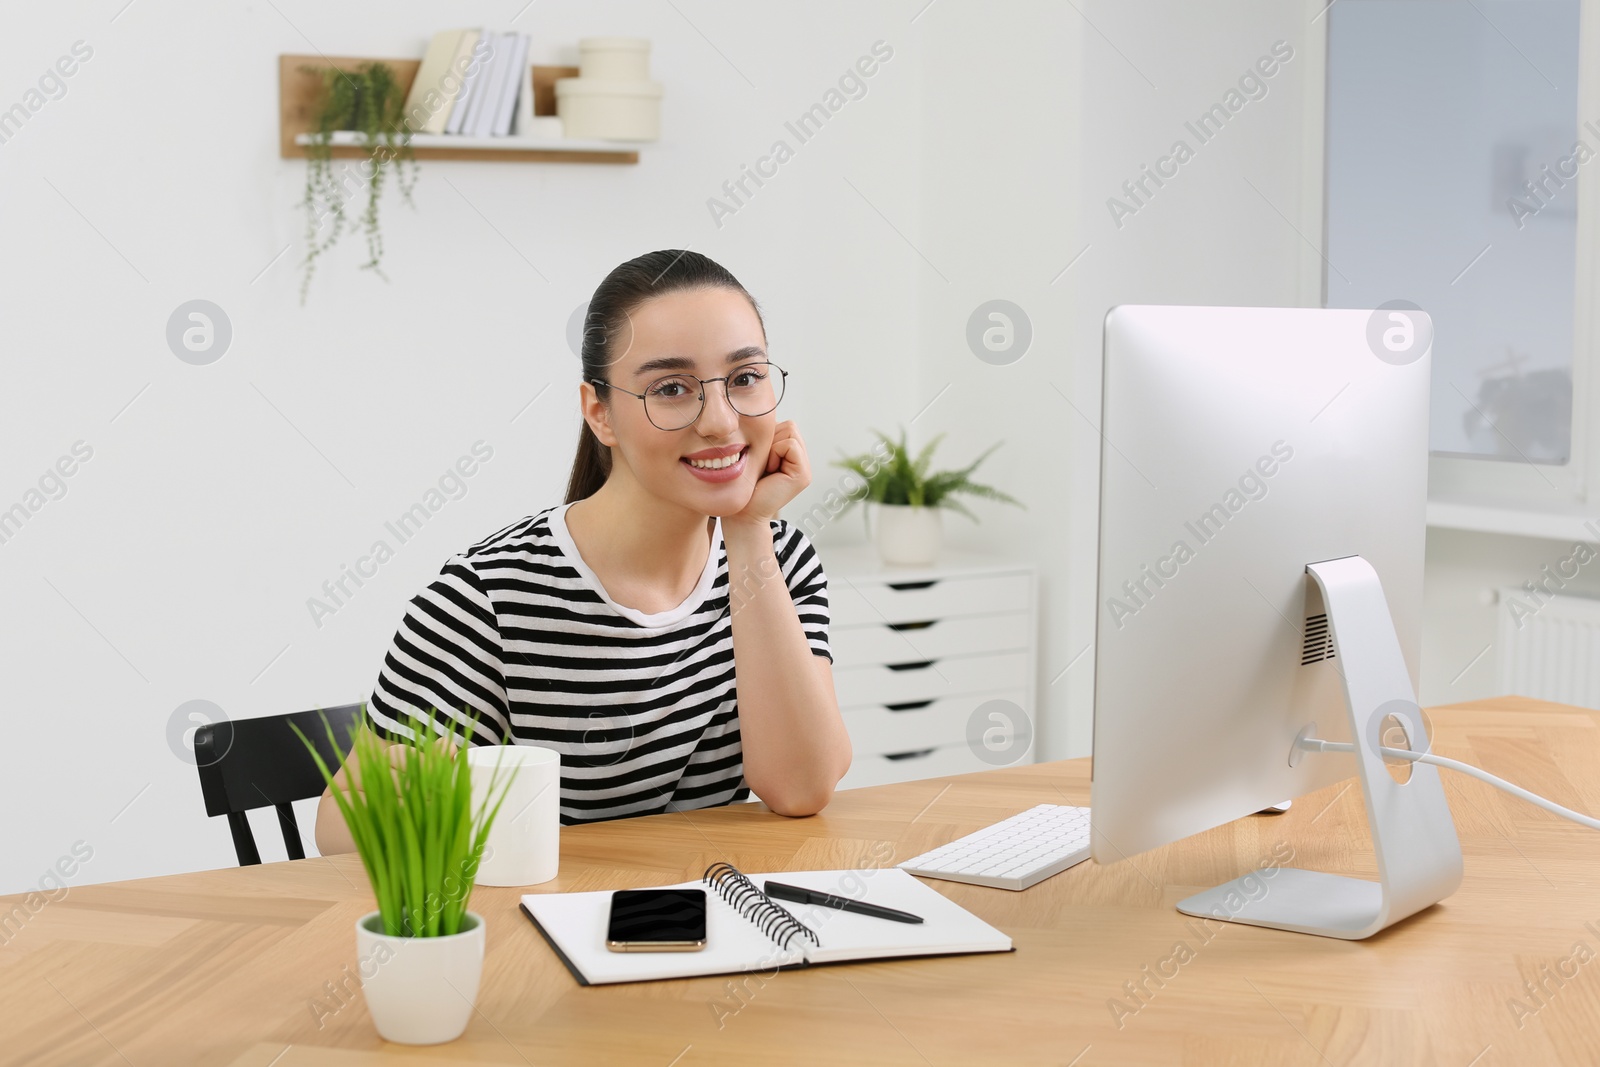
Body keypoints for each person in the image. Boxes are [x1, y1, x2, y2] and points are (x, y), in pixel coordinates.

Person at [313, 250, 851, 854]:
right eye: (671, 389)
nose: (722, 422)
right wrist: (457, 795)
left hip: (708, 922)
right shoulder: (487, 597)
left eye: (746, 378)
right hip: (543, 929)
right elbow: (339, 834)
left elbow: (801, 788)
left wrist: (749, 528)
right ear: (601, 414)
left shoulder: (781, 560)